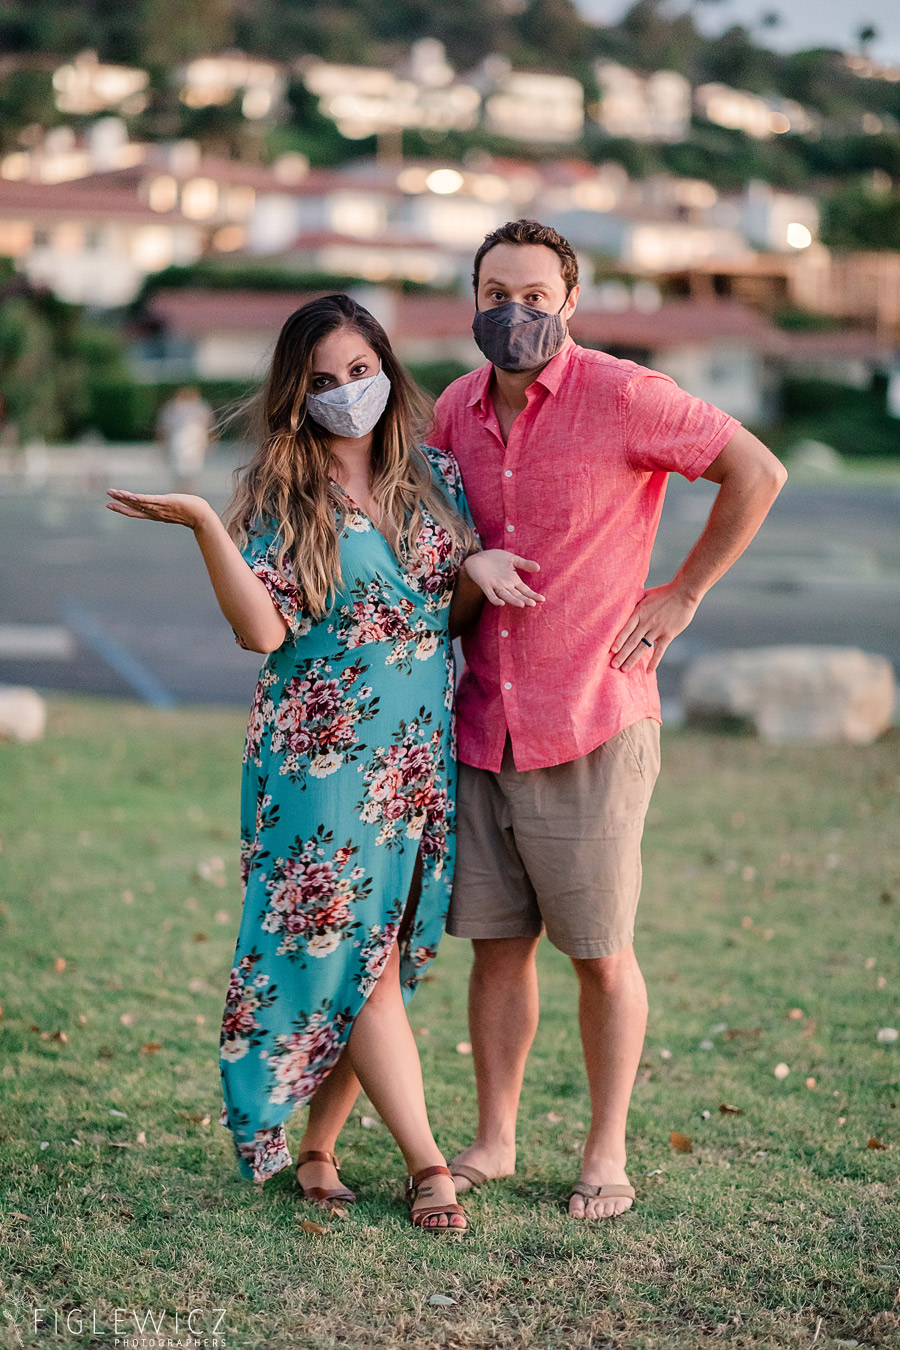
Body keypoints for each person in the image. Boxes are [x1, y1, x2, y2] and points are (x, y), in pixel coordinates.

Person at [106, 294, 542, 1232]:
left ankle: (316, 1149)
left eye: (359, 371)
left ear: (384, 367)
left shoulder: (434, 476)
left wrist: (473, 570)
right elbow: (259, 630)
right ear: (295, 395)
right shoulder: (278, 492)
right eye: (322, 382)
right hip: (321, 758)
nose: (348, 393)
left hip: (415, 754)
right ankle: (429, 1163)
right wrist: (203, 525)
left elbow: (445, 621)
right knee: (361, 963)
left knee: (370, 956)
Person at [427, 219, 788, 1221]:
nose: (515, 312)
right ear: (474, 297)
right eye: (497, 292)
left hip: (591, 718)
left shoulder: (626, 395)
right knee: (496, 949)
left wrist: (684, 592)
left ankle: (605, 1154)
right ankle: (494, 1141)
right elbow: (421, 516)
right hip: (482, 724)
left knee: (599, 952)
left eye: (536, 297)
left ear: (570, 302)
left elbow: (757, 471)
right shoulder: (456, 406)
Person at [156, 386, 215, 493]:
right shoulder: (175, 407)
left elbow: (164, 428)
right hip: (186, 440)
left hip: (189, 440)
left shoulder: (175, 408)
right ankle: (186, 491)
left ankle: (185, 491)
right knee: (184, 470)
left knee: (187, 470)